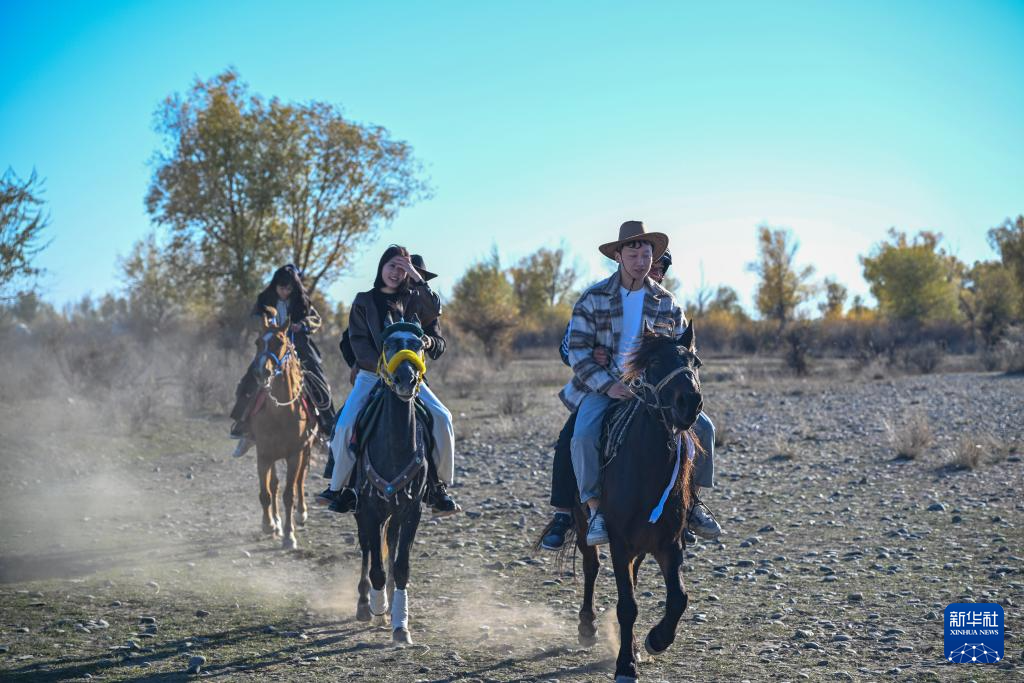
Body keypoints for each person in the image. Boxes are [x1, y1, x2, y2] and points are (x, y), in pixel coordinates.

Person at [550, 222, 721, 548]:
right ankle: (595, 509)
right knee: (583, 435)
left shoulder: (668, 303)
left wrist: (676, 384)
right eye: (633, 253)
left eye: (646, 254)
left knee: (705, 430)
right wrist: (607, 385)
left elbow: (684, 353)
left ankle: (693, 505)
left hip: (653, 392)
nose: (641, 261)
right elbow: (578, 352)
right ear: (618, 256)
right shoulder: (593, 298)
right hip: (604, 388)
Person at [320, 246, 459, 516]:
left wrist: (416, 278)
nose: (396, 273)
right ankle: (339, 488)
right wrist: (383, 369)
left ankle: (439, 487)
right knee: (347, 422)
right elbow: (357, 341)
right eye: (392, 266)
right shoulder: (363, 301)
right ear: (381, 267)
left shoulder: (415, 301)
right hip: (372, 374)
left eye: (402, 268)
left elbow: (435, 320)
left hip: (411, 377)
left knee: (443, 418)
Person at [229, 264, 336, 458]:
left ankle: (327, 431)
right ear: (275, 285)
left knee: (319, 382)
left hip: (300, 349)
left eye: (289, 288)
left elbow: (315, 319)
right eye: (282, 287)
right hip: (271, 349)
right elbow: (252, 320)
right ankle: (244, 427)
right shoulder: (264, 299)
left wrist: (302, 325)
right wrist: (263, 322)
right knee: (249, 380)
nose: (285, 291)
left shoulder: (302, 301)